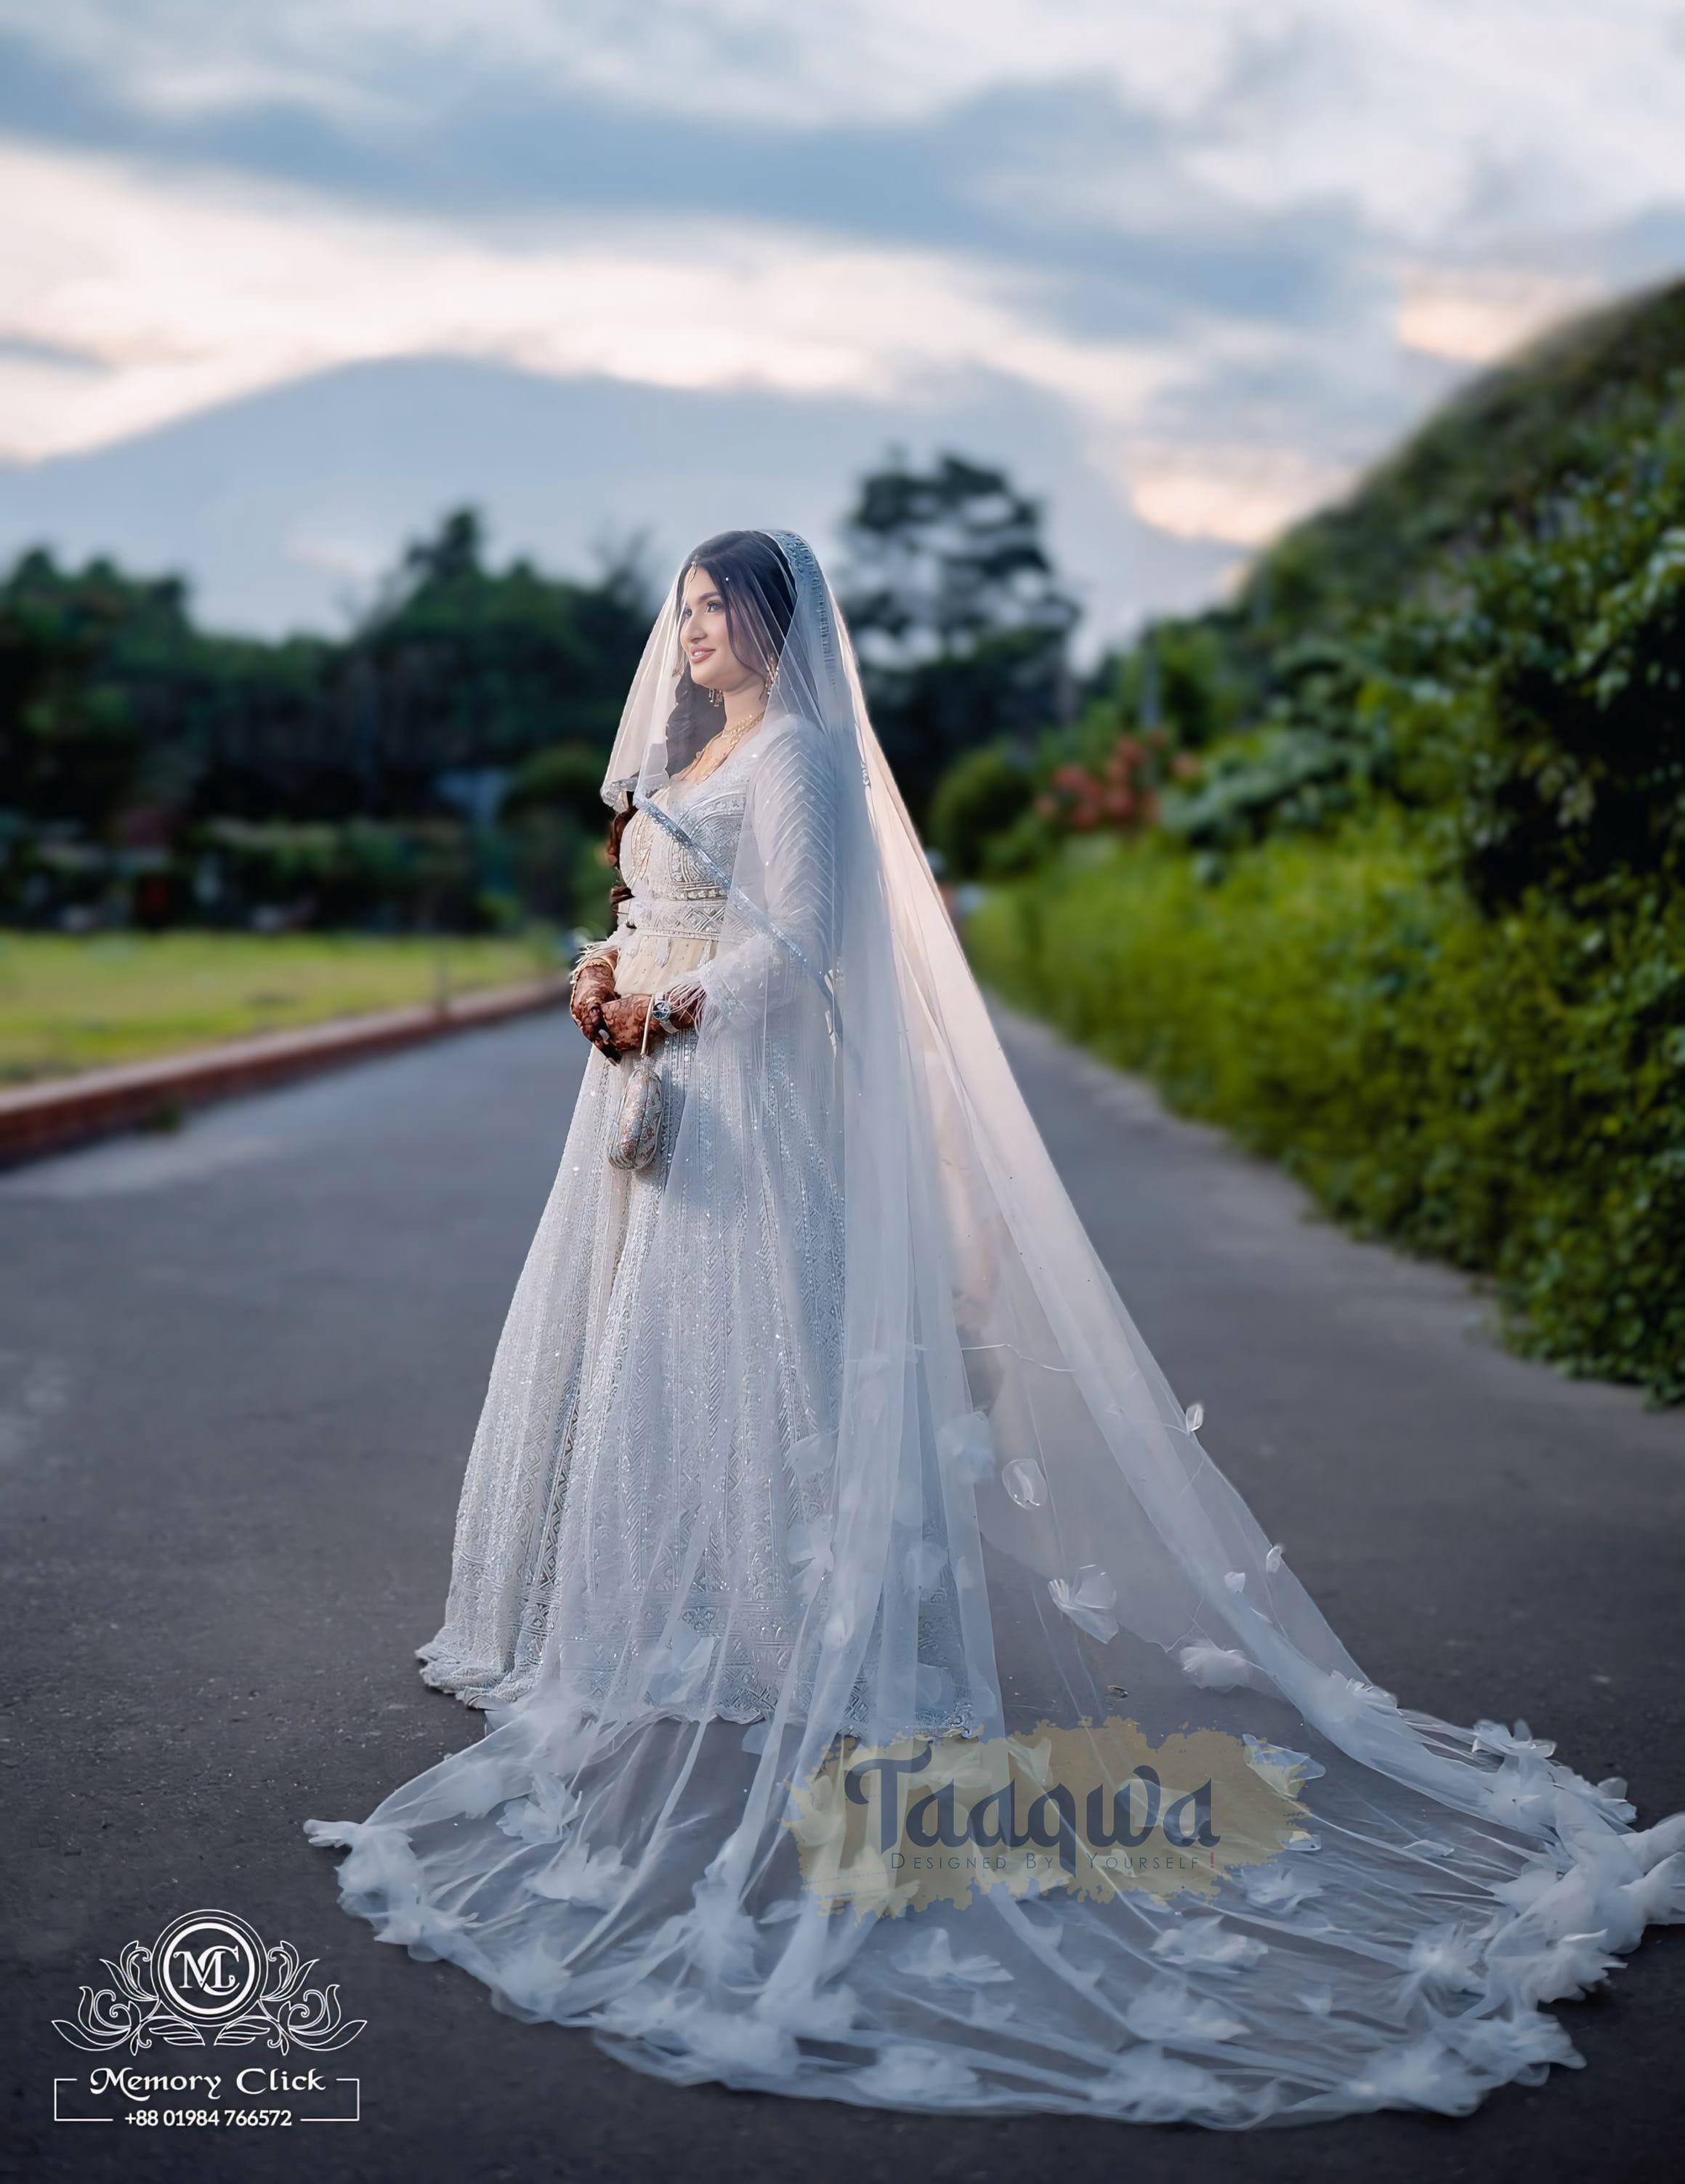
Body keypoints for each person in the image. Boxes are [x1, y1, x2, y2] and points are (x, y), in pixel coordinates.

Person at [306, 527, 1684, 2128]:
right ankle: (668, 1619)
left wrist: (665, 1006)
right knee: (654, 1374)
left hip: (741, 1107)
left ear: (779, 622)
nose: (693, 633)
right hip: (648, 1098)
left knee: (758, 1374)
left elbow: (803, 946)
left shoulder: (801, 757)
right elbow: (656, 902)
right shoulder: (701, 754)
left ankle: (786, 1636)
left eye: (719, 608)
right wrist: (600, 973)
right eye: (682, 611)